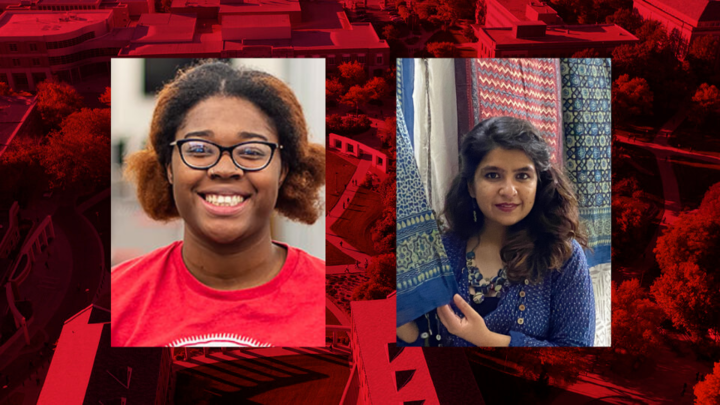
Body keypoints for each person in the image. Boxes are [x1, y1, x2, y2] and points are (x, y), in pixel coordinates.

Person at [112, 61, 326, 348]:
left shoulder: (341, 304)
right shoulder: (112, 300)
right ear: (168, 168)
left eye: (251, 151)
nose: (225, 169)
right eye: (199, 149)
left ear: (283, 170)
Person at [397, 116, 595, 347]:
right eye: (493, 175)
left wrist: (487, 340)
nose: (509, 190)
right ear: (471, 186)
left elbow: (577, 349)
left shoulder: (562, 256)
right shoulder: (440, 251)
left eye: (522, 176)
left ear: (538, 184)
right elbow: (422, 340)